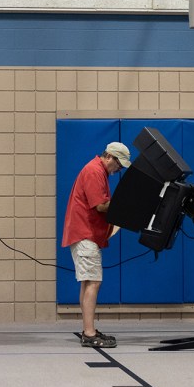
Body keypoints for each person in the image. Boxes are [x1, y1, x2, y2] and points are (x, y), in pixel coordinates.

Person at [62, 141, 131, 348]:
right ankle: (90, 333)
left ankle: (88, 329)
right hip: (85, 234)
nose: (118, 169)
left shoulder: (98, 170)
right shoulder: (94, 171)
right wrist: (126, 202)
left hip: (84, 233)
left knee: (87, 281)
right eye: (118, 164)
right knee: (93, 282)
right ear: (109, 157)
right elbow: (100, 205)